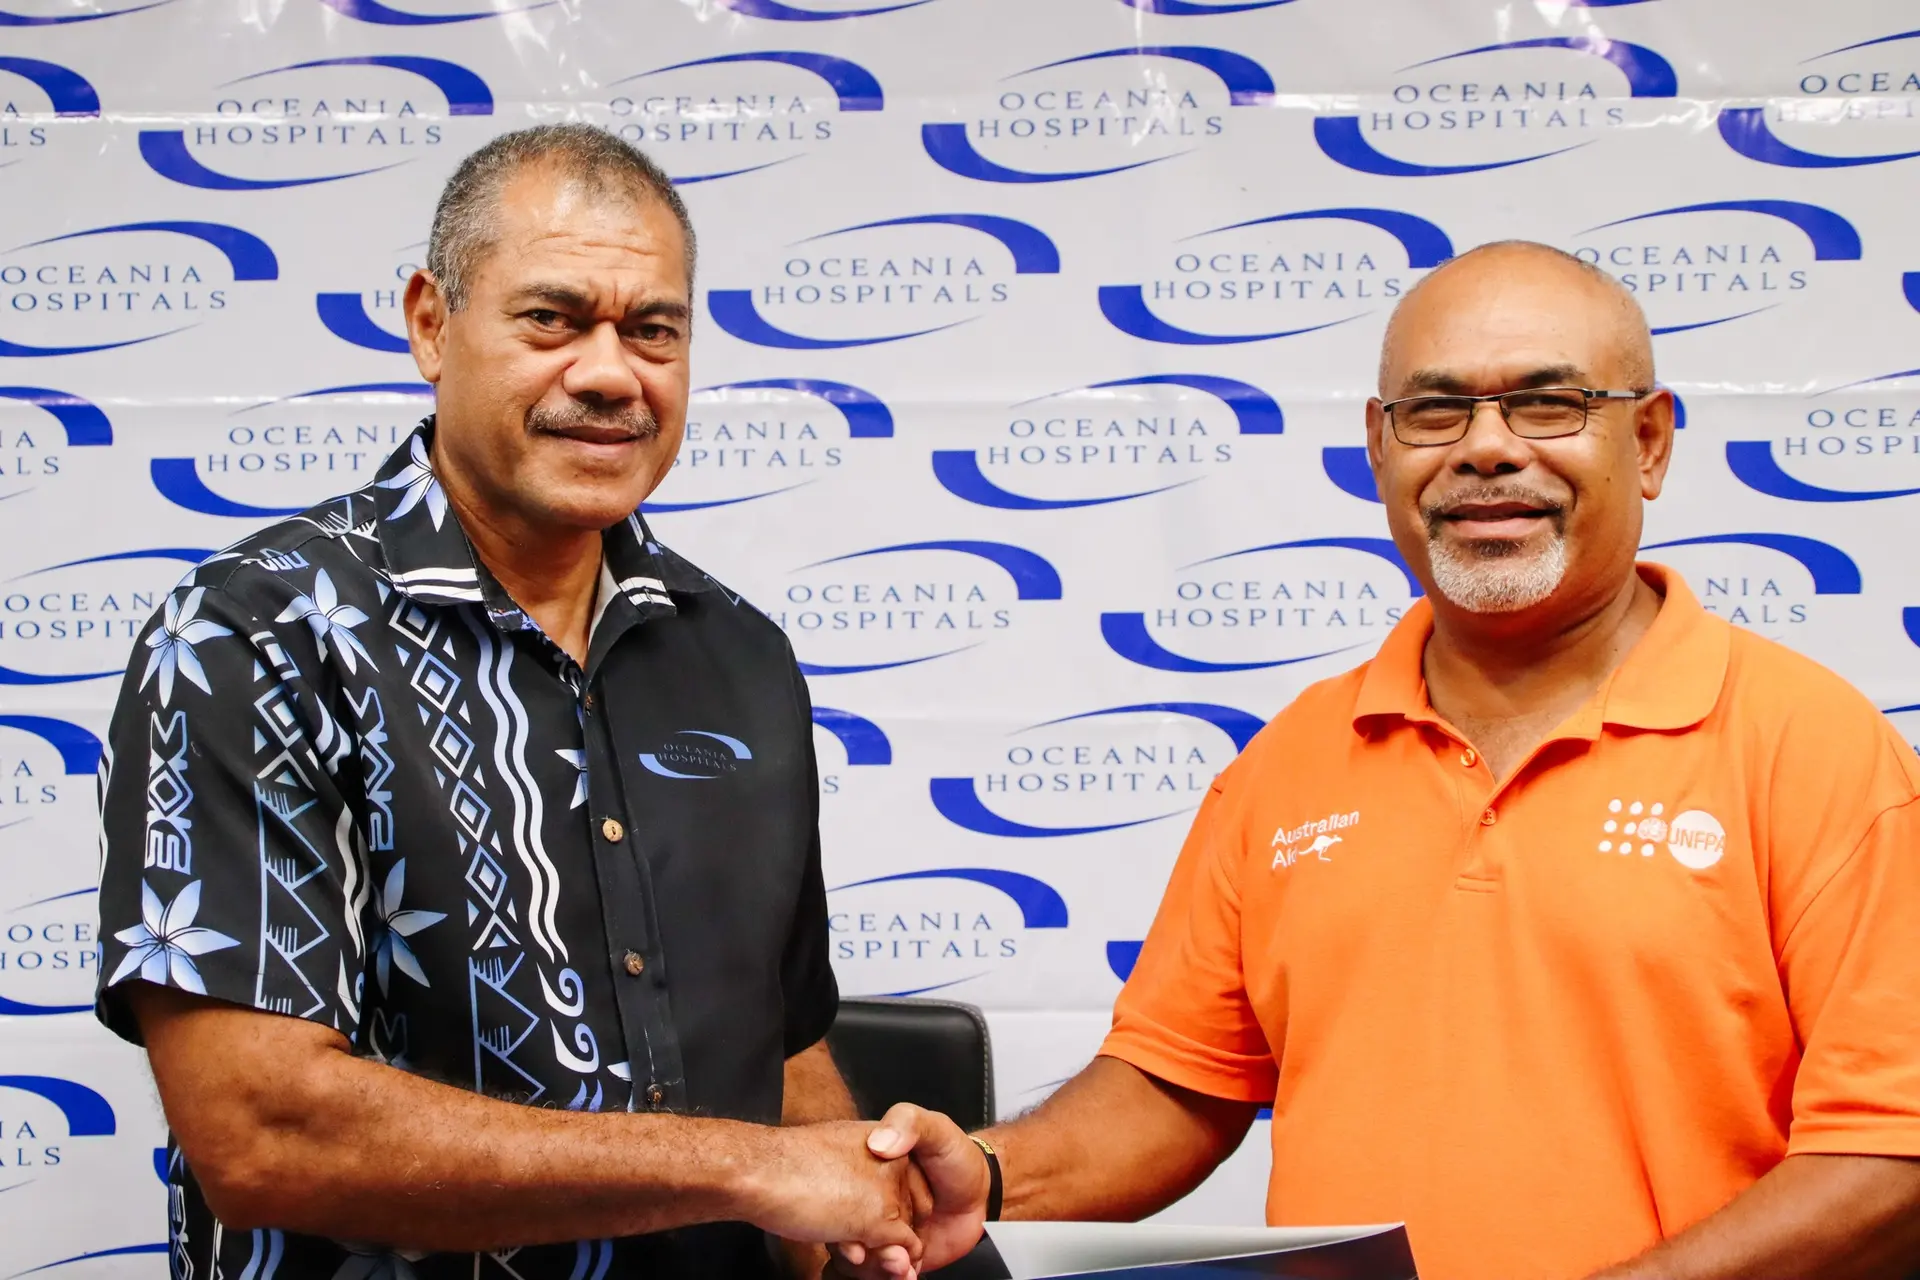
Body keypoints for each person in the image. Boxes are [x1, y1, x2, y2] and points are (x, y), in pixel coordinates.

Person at [839, 242, 1920, 1280]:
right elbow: (1175, 1089)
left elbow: (1891, 1164)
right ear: (1379, 446)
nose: (1487, 448)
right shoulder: (1294, 760)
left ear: (1648, 442)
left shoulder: (1813, 749)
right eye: (1436, 409)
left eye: (1548, 403)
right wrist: (980, 1172)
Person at [94, 125, 931, 1279]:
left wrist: (863, 1204)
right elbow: (262, 1129)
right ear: (432, 324)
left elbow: (779, 1050)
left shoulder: (742, 653)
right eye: (553, 318)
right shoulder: (255, 634)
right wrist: (744, 1167)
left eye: (653, 330)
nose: (608, 372)